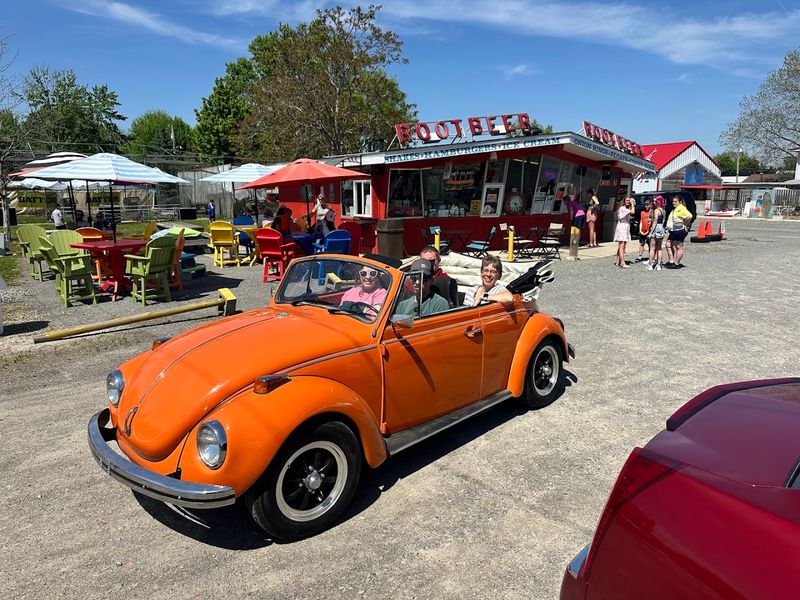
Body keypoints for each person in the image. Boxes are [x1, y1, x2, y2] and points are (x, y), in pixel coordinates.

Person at [665, 195, 693, 268]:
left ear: (680, 202)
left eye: (675, 201)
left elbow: (690, 216)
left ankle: (676, 263)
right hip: (673, 230)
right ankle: (671, 261)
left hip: (679, 230)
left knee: (678, 246)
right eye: (673, 201)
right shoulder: (676, 208)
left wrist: (684, 224)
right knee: (668, 244)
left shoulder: (681, 208)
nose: (673, 203)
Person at [646, 195, 667, 271]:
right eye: (654, 201)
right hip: (661, 228)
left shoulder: (656, 210)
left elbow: (655, 221)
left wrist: (651, 232)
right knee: (659, 248)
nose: (654, 202)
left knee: (652, 248)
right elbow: (664, 220)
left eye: (656, 201)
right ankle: (658, 265)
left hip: (656, 228)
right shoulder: (663, 210)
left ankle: (650, 265)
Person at [613, 197, 635, 268]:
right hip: (622, 226)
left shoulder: (627, 209)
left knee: (622, 245)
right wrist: (632, 204)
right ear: (624, 201)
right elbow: (633, 212)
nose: (628, 202)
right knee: (622, 245)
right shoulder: (623, 208)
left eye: (629, 200)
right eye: (627, 200)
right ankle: (622, 262)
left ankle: (617, 261)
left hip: (625, 226)